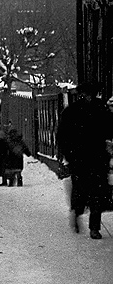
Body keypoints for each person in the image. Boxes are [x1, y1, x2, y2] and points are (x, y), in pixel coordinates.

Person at [57, 82, 113, 239]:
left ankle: (94, 226)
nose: (87, 97)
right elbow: (63, 135)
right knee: (84, 190)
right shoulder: (74, 111)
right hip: (83, 158)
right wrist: (69, 154)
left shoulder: (100, 110)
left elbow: (110, 130)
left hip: (93, 158)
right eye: (85, 94)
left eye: (89, 94)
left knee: (96, 192)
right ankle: (77, 213)